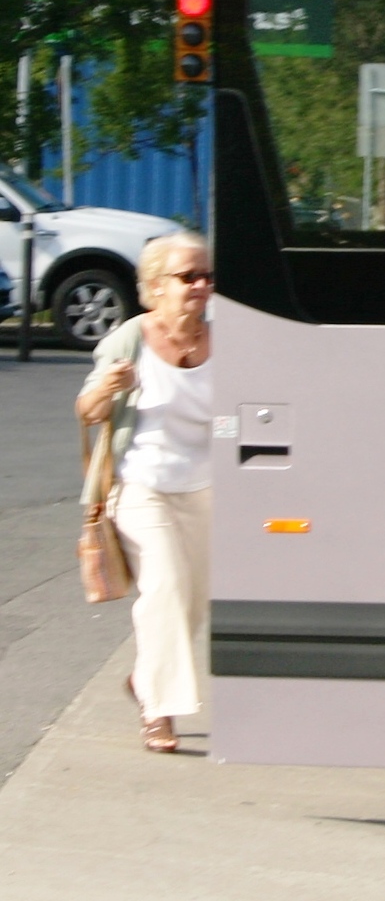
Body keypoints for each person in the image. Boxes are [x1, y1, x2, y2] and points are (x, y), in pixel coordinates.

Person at [75, 231, 213, 754]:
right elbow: (87, 411)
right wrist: (105, 389)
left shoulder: (227, 340)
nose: (201, 285)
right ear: (156, 286)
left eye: (207, 276)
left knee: (192, 602)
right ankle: (158, 711)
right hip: (140, 486)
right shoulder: (129, 341)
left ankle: (144, 679)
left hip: (207, 488)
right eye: (188, 277)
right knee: (165, 589)